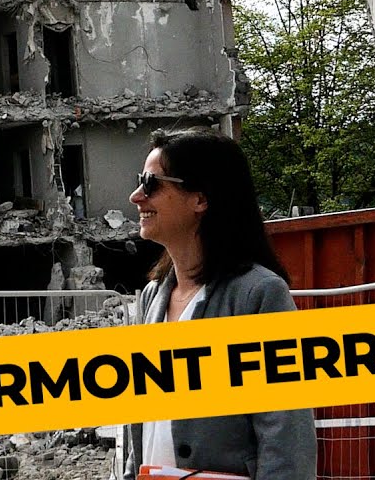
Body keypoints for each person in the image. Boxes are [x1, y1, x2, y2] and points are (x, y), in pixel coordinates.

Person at [121, 128, 317, 480]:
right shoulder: (152, 297)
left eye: (151, 183)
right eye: (140, 182)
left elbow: (286, 436)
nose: (136, 196)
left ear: (200, 198)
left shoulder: (258, 295)